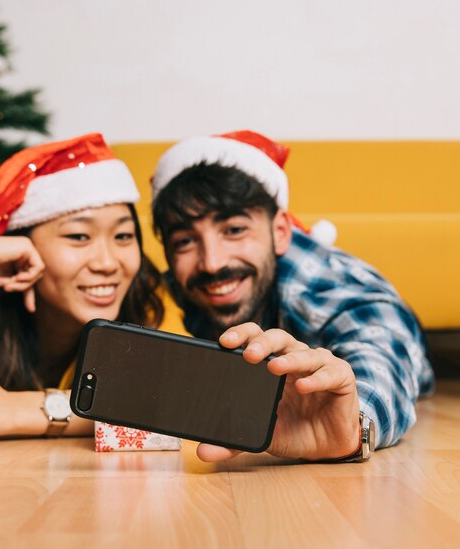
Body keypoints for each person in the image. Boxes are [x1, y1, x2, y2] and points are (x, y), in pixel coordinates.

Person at [151, 130, 435, 463]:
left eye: (234, 230)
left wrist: (353, 424)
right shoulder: (169, 289)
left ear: (280, 232)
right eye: (185, 240)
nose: (212, 262)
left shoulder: (323, 285)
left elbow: (383, 344)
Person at [0, 133, 185, 443]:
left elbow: (176, 398)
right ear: (18, 249)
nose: (108, 263)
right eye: (79, 237)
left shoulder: (145, 295)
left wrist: (5, 409)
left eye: (123, 236)